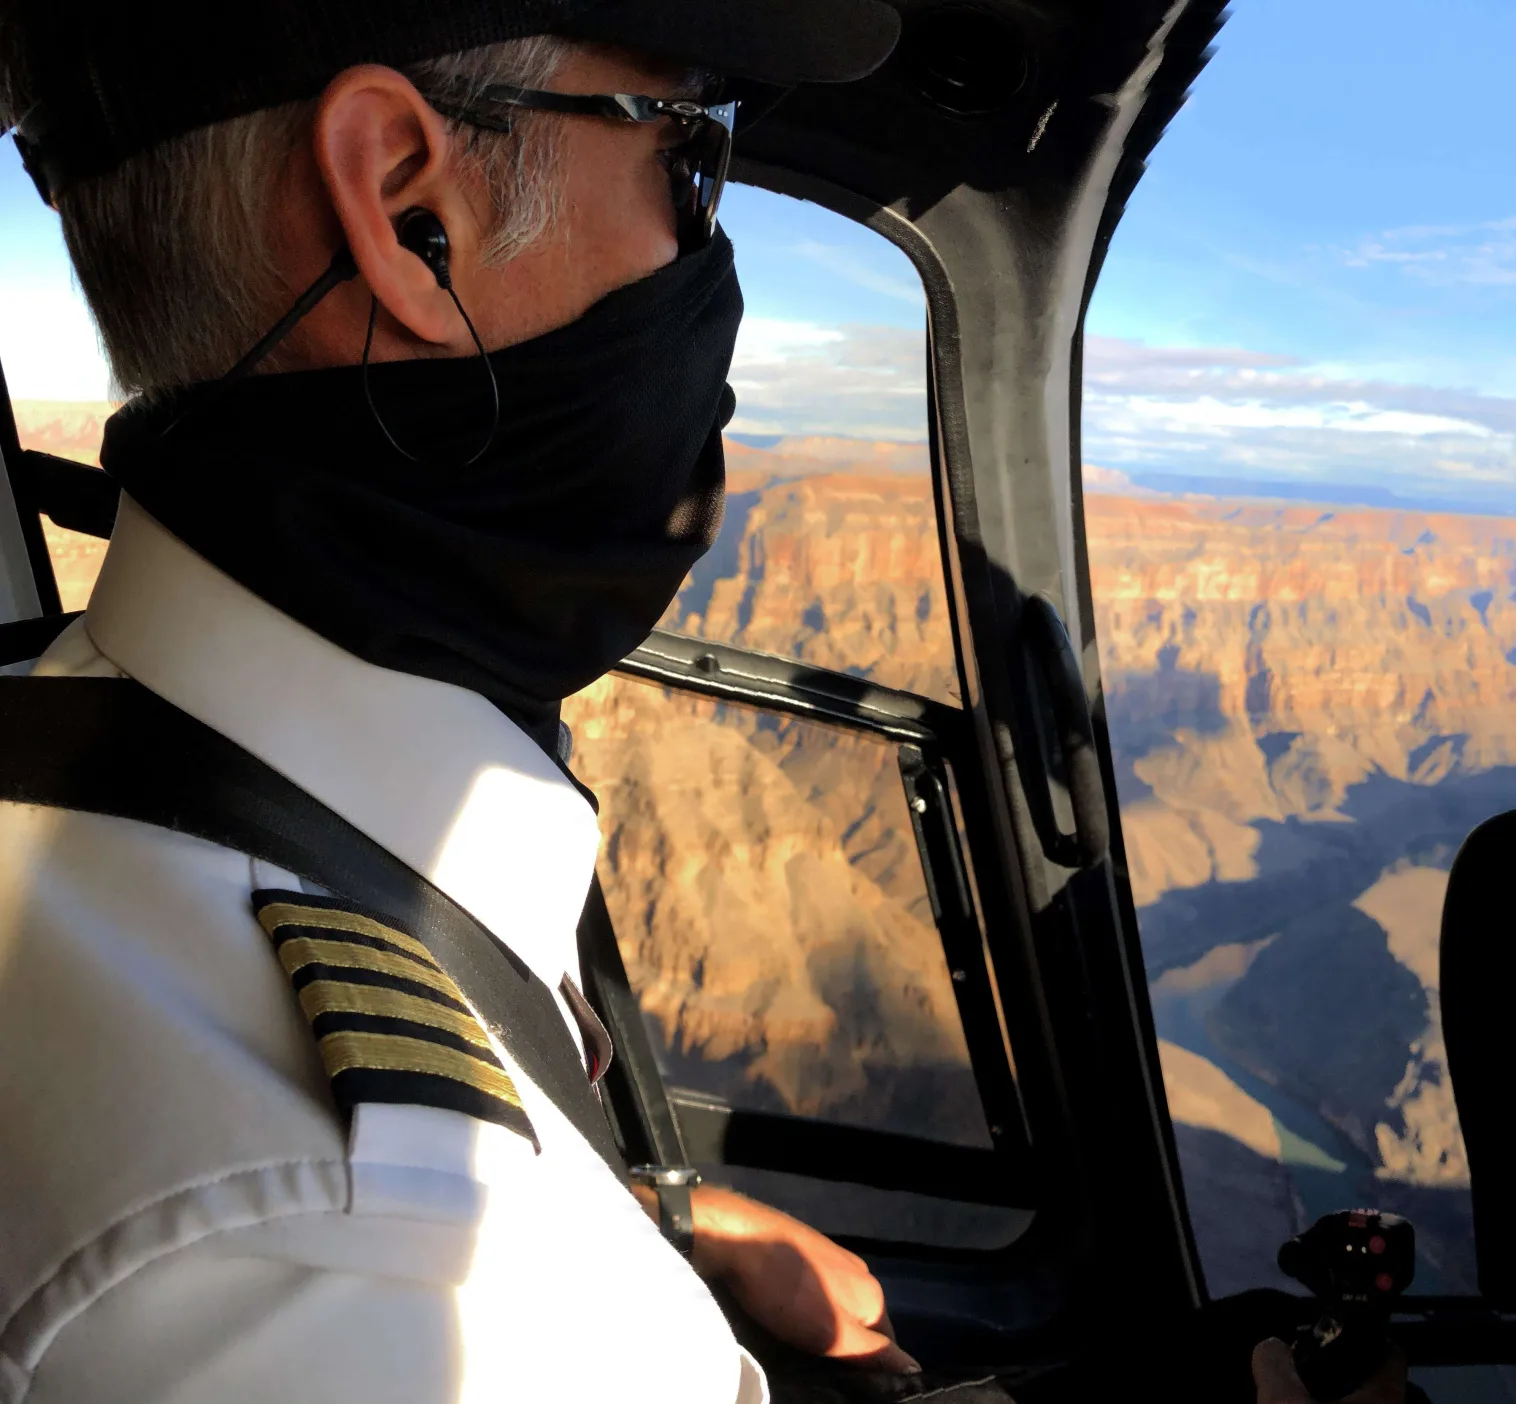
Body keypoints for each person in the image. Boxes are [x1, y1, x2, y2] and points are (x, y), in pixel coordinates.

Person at [0, 2, 927, 1398]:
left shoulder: (58, 736)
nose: (708, 252)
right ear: (403, 202)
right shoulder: (389, 1285)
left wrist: (641, 1227)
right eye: (687, 155)